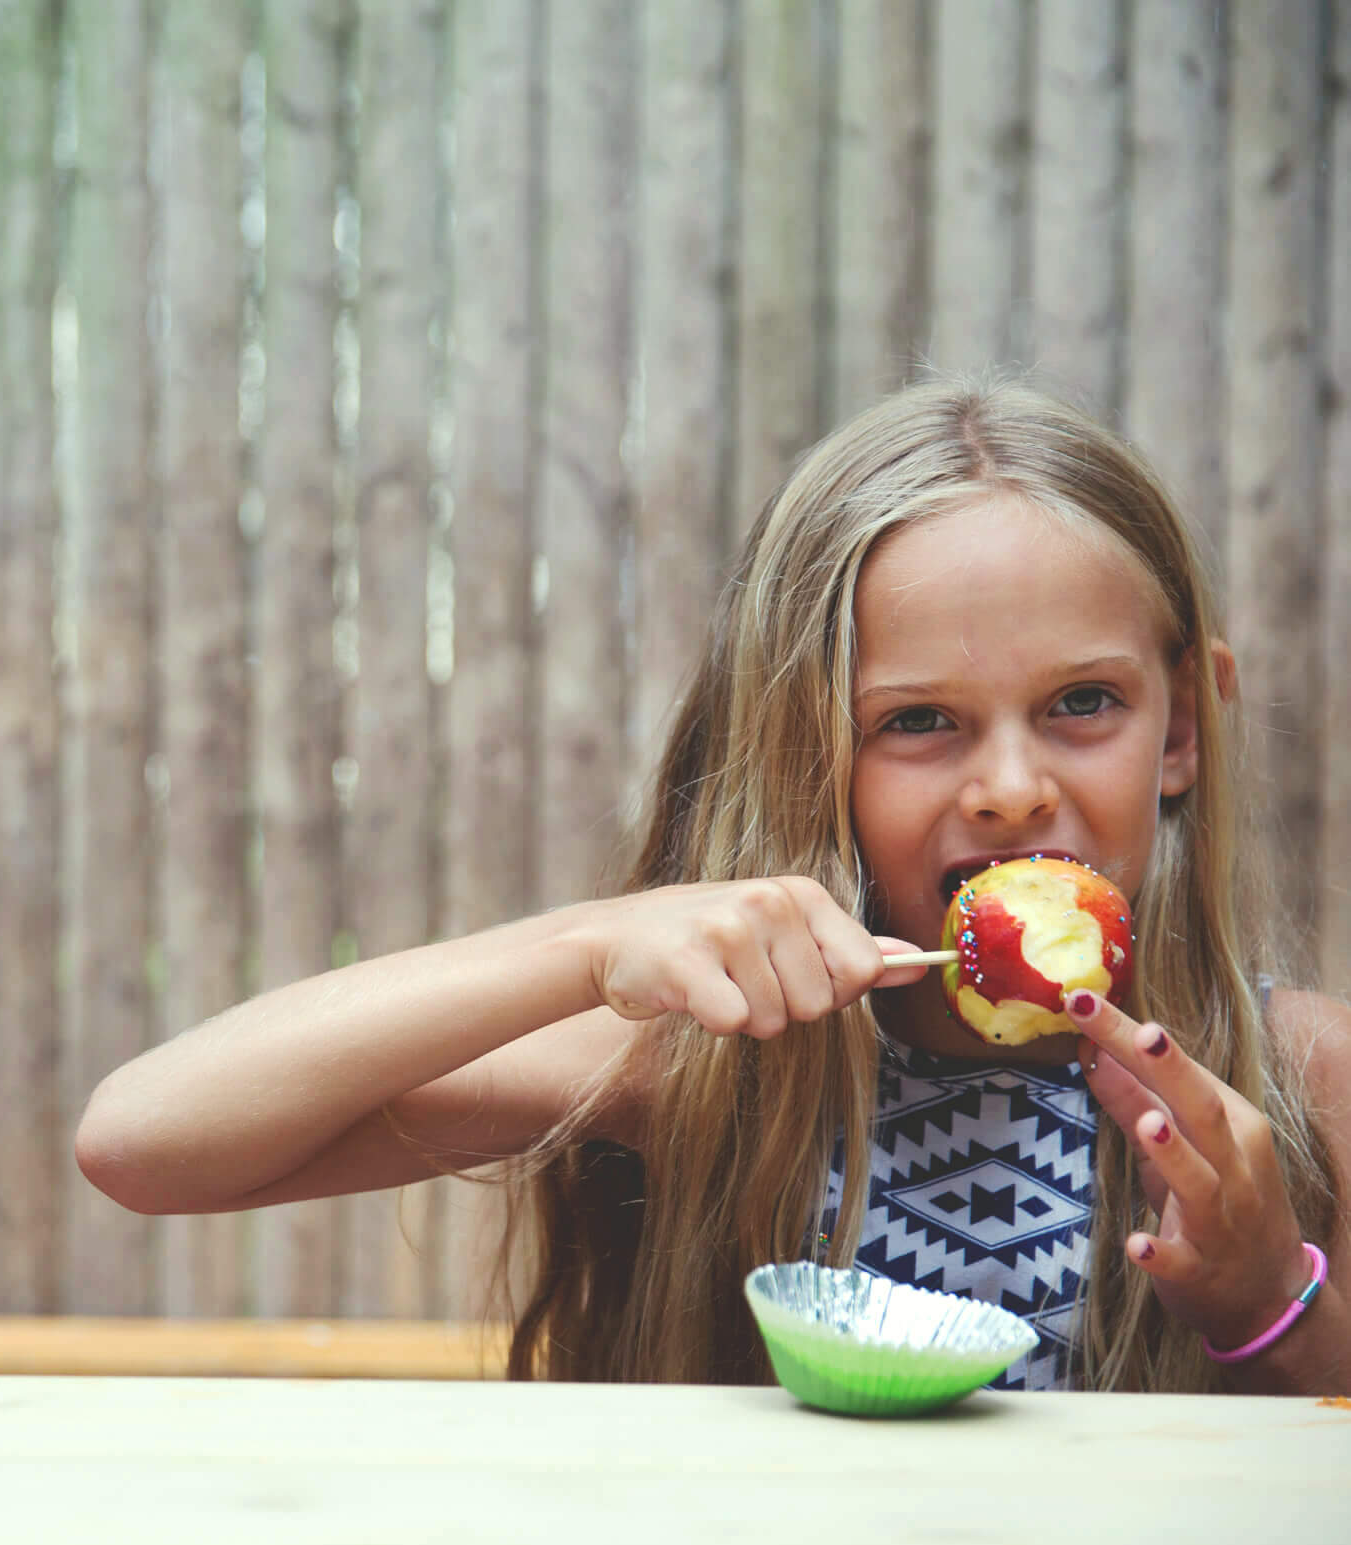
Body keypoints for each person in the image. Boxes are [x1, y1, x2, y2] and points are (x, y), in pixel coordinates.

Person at [77, 372, 1348, 1393]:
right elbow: (141, 1140)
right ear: (811, 753)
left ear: (1181, 729)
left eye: (1083, 702)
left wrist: (1264, 1305)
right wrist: (589, 945)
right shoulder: (707, 1065)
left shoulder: (1294, 1076)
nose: (1009, 787)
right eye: (916, 721)